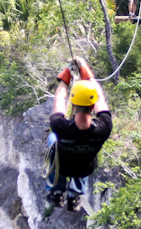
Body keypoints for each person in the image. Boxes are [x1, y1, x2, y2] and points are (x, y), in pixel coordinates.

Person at [45, 57, 112, 211]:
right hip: (84, 168)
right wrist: (85, 69)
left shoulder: (60, 127)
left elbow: (59, 100)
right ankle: (75, 193)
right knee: (83, 156)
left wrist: (67, 74)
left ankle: (56, 190)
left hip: (62, 167)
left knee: (52, 138)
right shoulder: (104, 127)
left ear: (73, 105)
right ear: (93, 105)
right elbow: (100, 97)